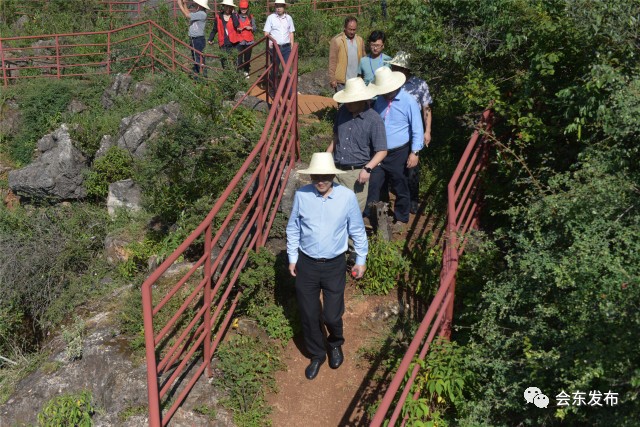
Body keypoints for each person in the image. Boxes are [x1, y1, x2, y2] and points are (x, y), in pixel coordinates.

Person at [286, 152, 368, 380]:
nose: (320, 180)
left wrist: (361, 259)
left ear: (333, 175)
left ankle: (335, 343)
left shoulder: (347, 197)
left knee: (332, 315)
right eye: (315, 176)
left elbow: (357, 230)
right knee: (309, 313)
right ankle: (317, 354)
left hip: (334, 264)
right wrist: (293, 257)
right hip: (307, 263)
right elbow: (293, 228)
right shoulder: (302, 195)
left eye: (325, 176)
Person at [366, 67, 424, 229]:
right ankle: (377, 214)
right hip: (379, 150)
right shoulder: (379, 101)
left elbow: (417, 128)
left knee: (400, 183)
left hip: (399, 151)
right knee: (376, 182)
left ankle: (401, 217)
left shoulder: (409, 101)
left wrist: (415, 152)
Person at [328, 77, 387, 212]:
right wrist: (326, 156)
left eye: (351, 100)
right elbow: (337, 136)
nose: (348, 104)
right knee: (334, 212)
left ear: (362, 99)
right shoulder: (343, 111)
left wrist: (367, 169)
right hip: (336, 170)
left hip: (356, 173)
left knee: (352, 214)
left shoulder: (374, 119)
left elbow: (382, 150)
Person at [389, 51, 433, 214]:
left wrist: (427, 131)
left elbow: (426, 108)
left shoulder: (419, 84)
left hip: (414, 133)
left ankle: (413, 201)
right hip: (395, 133)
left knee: (413, 168)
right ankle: (400, 198)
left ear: (406, 69)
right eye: (393, 67)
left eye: (397, 67)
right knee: (396, 169)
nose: (394, 69)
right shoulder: (390, 83)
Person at [328, 17, 365, 92]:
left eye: (354, 30)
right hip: (342, 82)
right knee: (343, 103)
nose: (352, 32)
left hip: (357, 81)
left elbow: (364, 58)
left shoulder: (360, 40)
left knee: (356, 102)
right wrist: (332, 78)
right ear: (345, 28)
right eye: (350, 29)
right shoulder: (337, 40)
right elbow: (332, 61)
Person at [177, 0, 210, 77]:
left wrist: (180, 5)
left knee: (198, 59)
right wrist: (184, 3)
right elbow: (188, 13)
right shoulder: (199, 13)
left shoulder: (201, 14)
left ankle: (201, 76)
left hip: (197, 39)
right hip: (195, 39)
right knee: (196, 58)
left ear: (200, 5)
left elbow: (187, 15)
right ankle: (199, 75)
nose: (194, 4)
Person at [207, 0, 240, 69]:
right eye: (226, 6)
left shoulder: (235, 15)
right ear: (223, 6)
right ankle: (227, 77)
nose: (228, 8)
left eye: (230, 7)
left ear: (232, 8)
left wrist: (233, 14)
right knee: (224, 62)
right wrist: (210, 38)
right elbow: (214, 29)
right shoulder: (218, 17)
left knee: (236, 62)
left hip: (234, 42)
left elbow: (237, 25)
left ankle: (236, 78)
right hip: (223, 43)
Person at [263, 0, 295, 67]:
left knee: (287, 67)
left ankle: (286, 77)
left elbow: (291, 32)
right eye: (277, 6)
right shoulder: (271, 18)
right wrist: (270, 43)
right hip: (275, 47)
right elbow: (266, 33)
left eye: (280, 6)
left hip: (286, 47)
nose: (278, 8)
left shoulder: (289, 18)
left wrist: (292, 46)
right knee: (274, 68)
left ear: (284, 7)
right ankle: (273, 77)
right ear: (275, 7)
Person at [236, 0, 256, 77]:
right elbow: (233, 26)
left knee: (247, 57)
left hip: (249, 41)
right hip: (239, 40)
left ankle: (246, 71)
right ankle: (238, 72)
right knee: (239, 58)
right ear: (240, 8)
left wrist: (250, 27)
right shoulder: (236, 16)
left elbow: (255, 28)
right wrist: (237, 29)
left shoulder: (251, 17)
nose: (243, 10)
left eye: (245, 8)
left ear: (247, 8)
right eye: (242, 8)